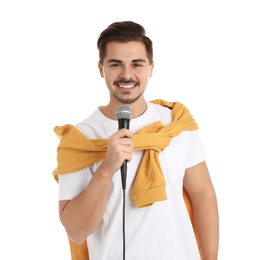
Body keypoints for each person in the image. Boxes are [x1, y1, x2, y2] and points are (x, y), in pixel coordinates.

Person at [53, 21, 219, 260]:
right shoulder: (80, 140)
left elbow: (203, 195)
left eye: (137, 64)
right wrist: (107, 167)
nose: (127, 74)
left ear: (151, 67)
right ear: (101, 69)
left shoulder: (175, 123)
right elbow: (76, 231)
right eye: (116, 64)